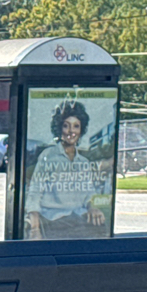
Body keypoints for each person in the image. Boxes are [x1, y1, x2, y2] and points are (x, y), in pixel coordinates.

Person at [25, 99, 110, 239]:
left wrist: (92, 207)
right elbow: (35, 190)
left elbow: (88, 192)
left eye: (76, 126)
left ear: (81, 130)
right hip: (53, 219)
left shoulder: (84, 161)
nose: (71, 131)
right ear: (59, 128)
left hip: (78, 217)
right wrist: (35, 227)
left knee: (102, 229)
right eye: (66, 126)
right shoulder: (48, 156)